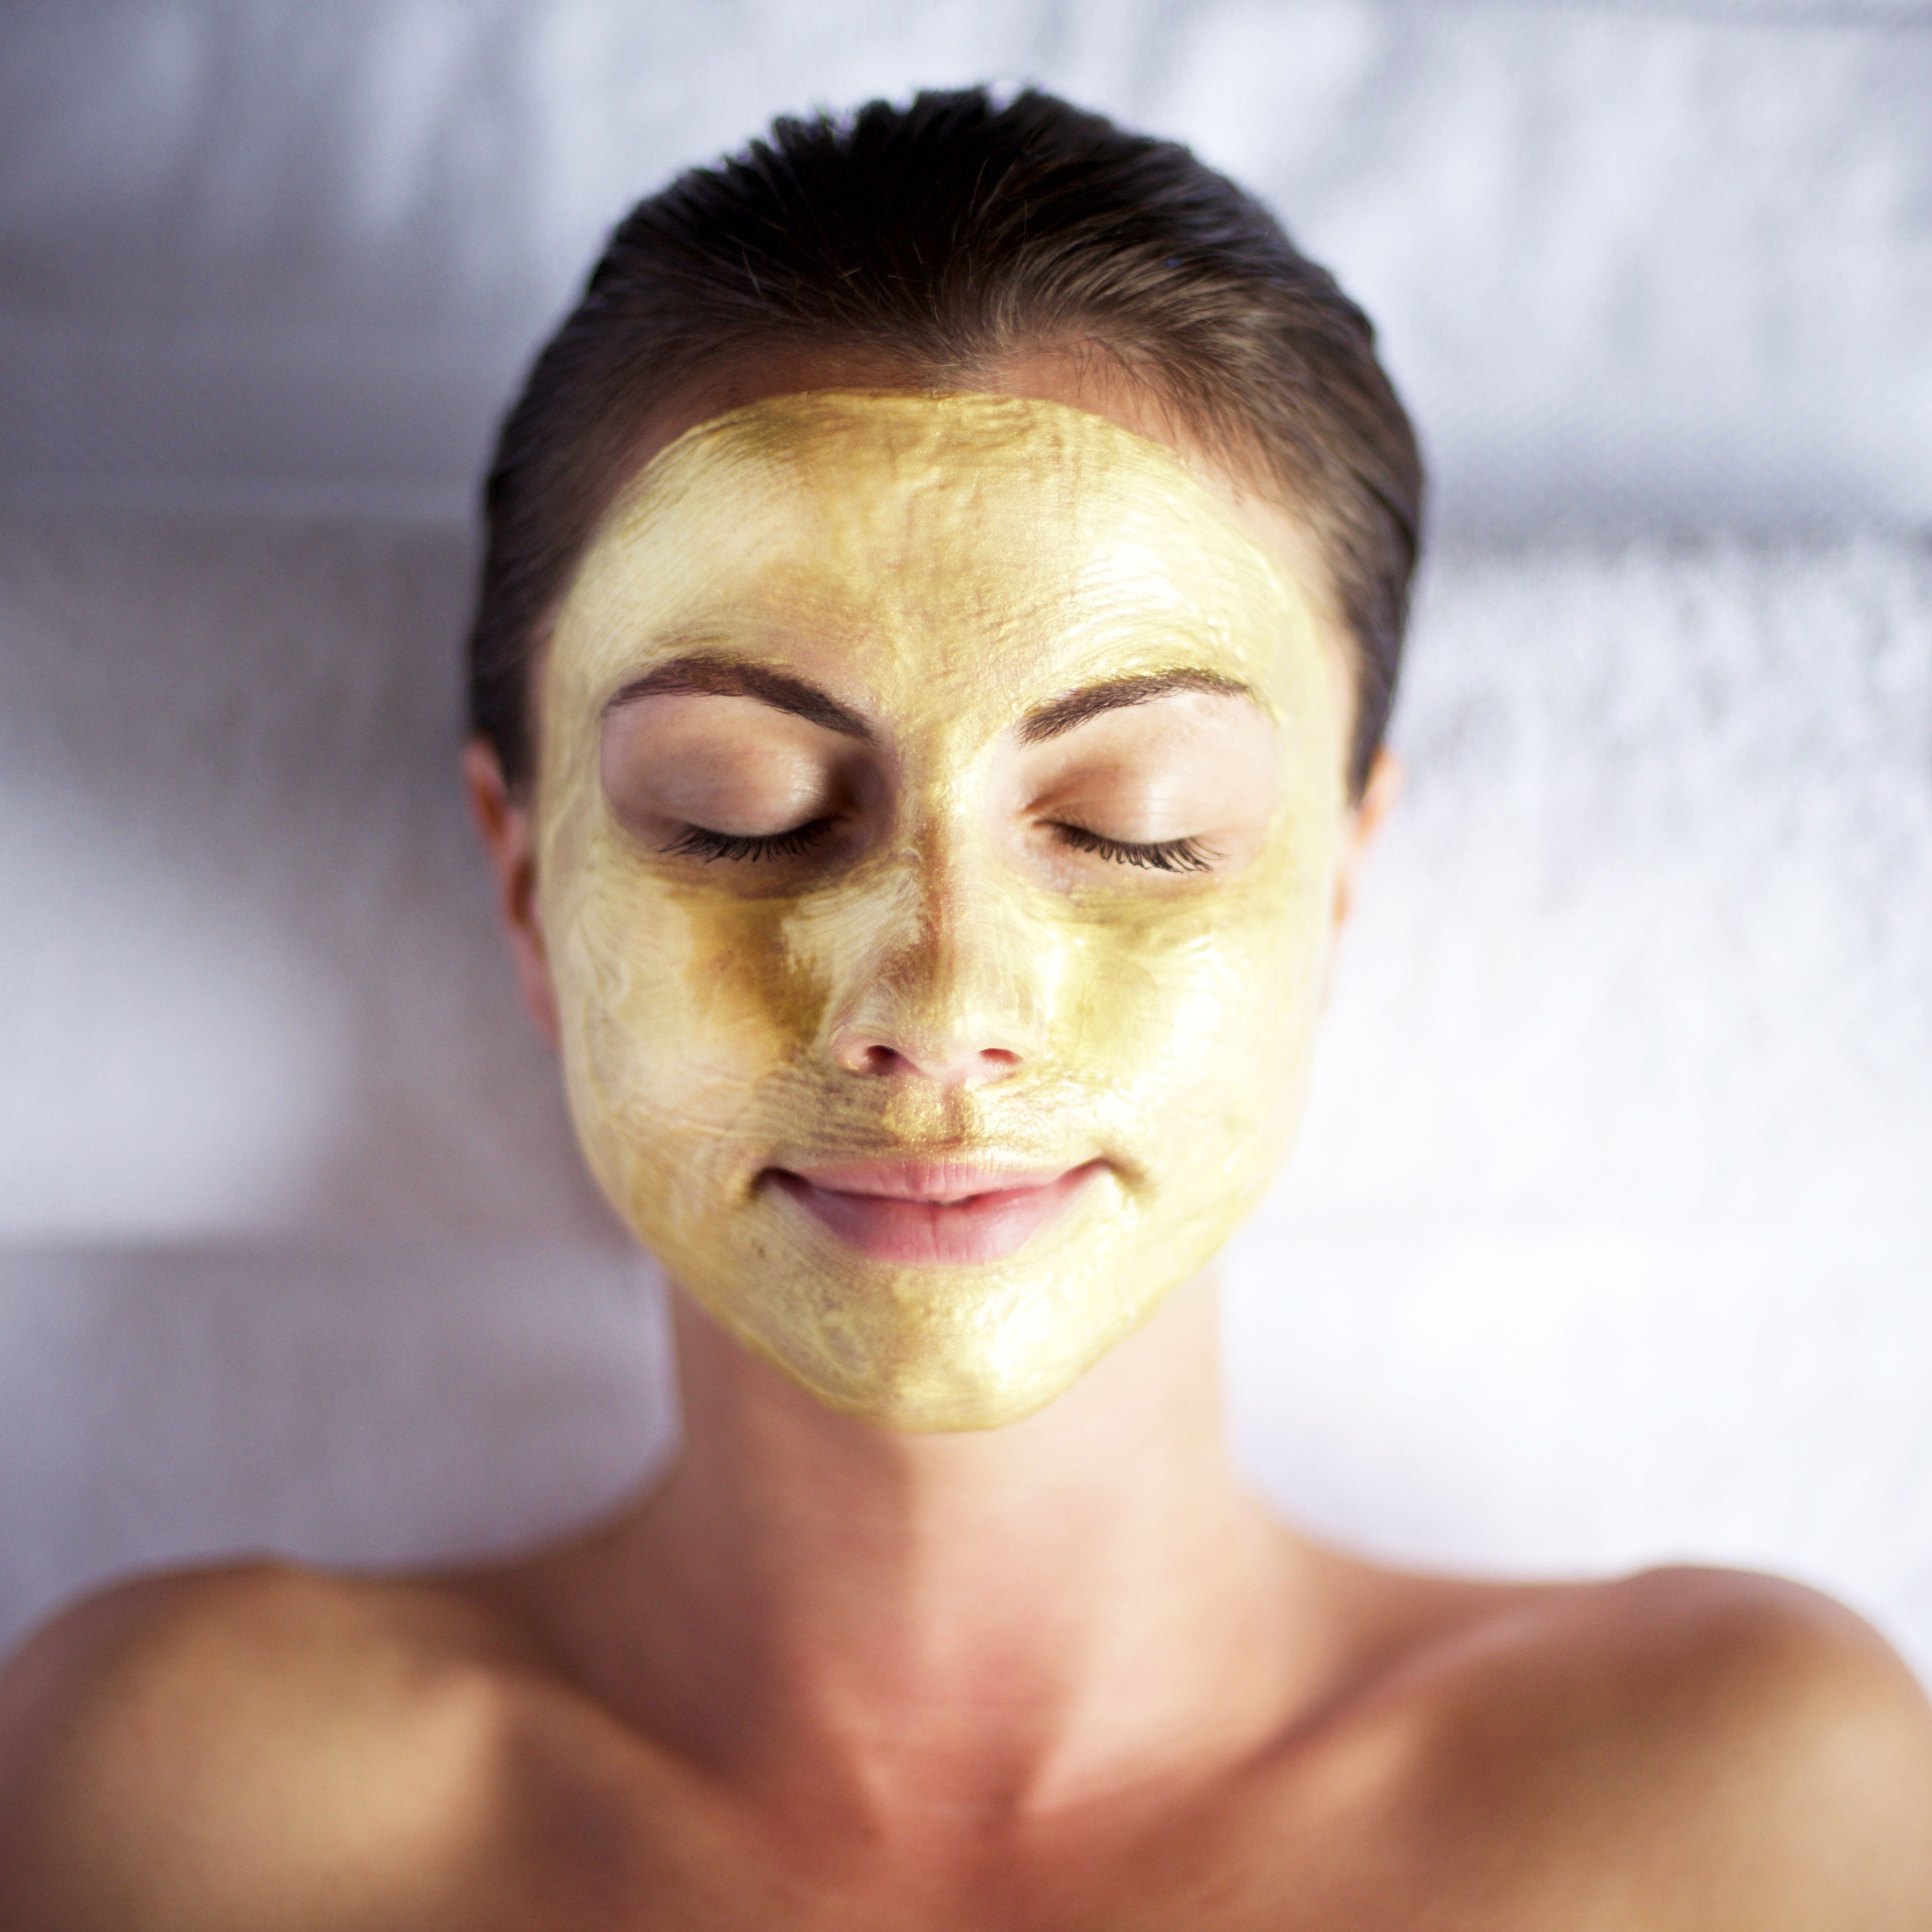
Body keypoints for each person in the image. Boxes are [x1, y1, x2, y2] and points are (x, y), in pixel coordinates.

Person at [1, 87, 1928, 1929]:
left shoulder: (1744, 1800)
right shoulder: (189, 1798)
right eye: (737, 812)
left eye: (1131, 829)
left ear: (1334, 885)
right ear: (526, 881)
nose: (934, 1010)